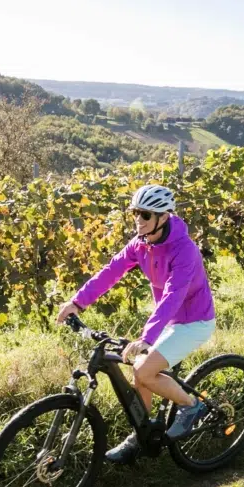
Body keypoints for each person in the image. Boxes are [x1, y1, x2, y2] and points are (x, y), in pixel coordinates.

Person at [56, 183, 216, 463]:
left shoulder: (184, 250)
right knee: (139, 370)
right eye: (135, 214)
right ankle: (141, 435)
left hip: (194, 321)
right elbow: (110, 272)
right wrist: (77, 302)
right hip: (168, 320)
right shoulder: (140, 243)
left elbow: (172, 295)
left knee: (143, 370)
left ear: (163, 217)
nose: (138, 221)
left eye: (144, 215)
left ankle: (191, 407)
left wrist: (148, 337)